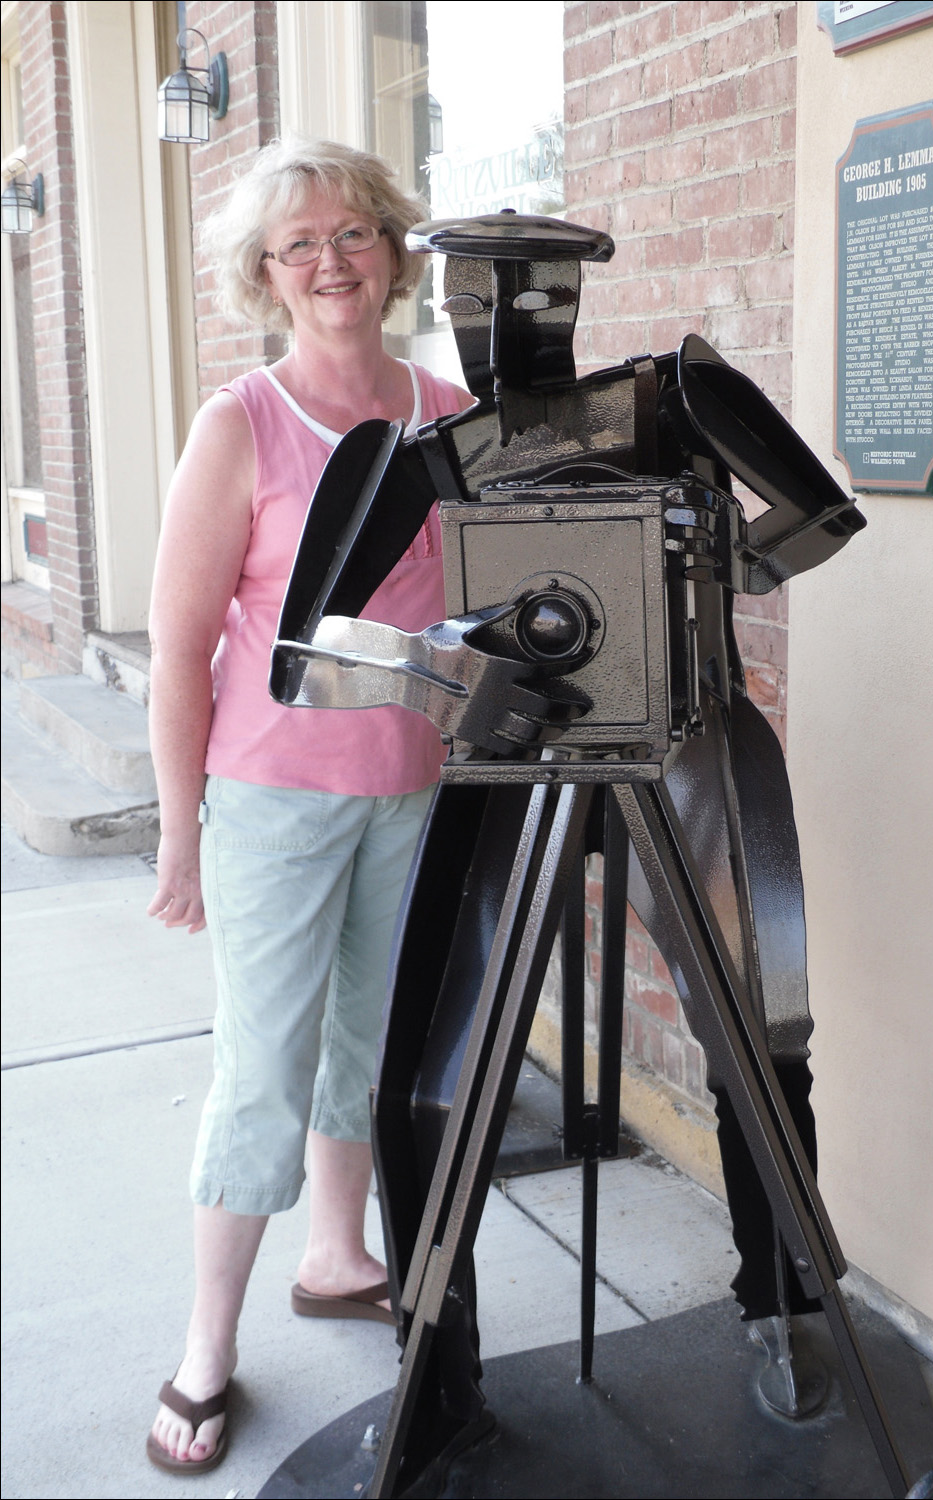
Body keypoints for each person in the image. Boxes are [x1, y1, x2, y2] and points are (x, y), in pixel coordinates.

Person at [144, 136, 472, 1475]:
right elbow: (177, 649)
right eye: (301, 245)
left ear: (393, 251)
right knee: (262, 1071)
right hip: (275, 797)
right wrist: (181, 833)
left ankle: (336, 1256)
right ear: (267, 277)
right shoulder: (242, 423)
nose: (331, 262)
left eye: (353, 235)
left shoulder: (450, 415)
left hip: (414, 790)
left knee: (368, 1049)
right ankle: (205, 1345)